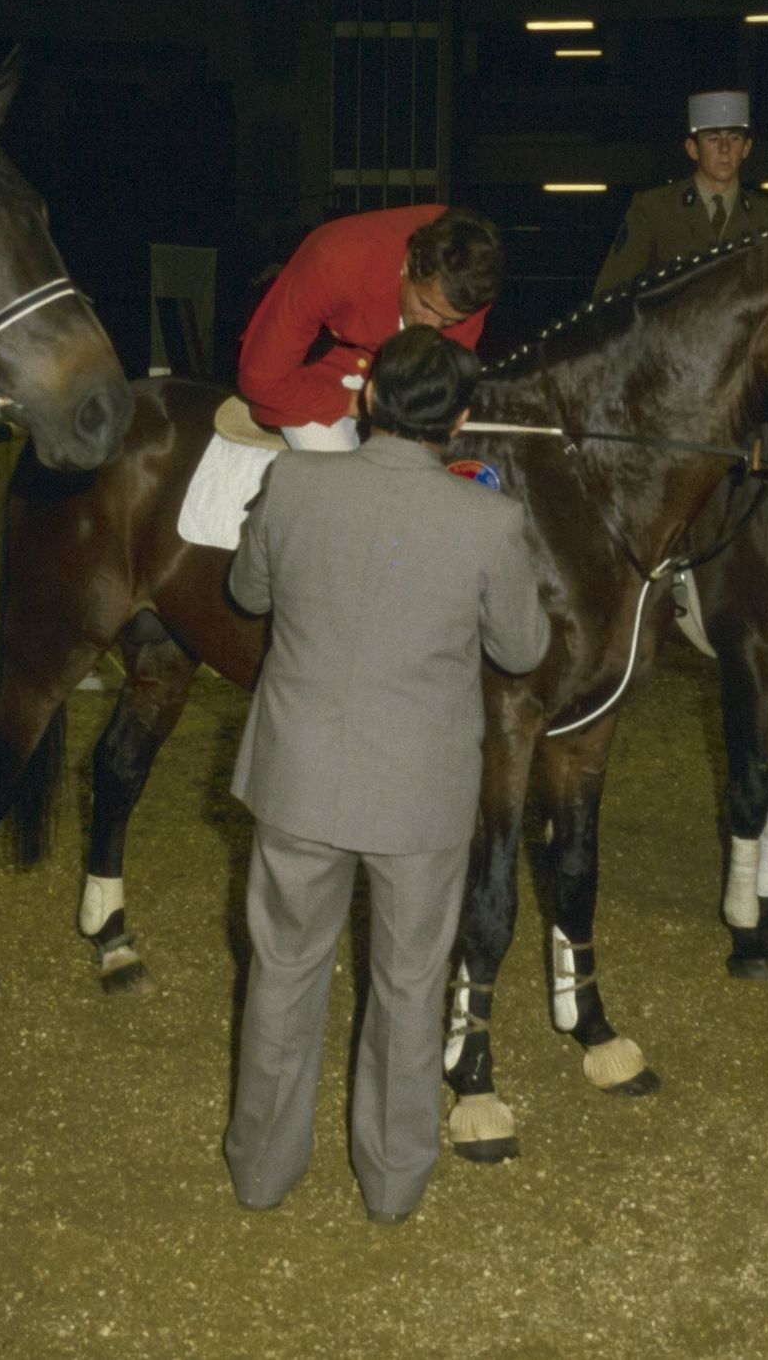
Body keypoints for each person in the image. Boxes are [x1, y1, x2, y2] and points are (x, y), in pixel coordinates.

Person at [223, 326, 552, 1223]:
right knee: (409, 987)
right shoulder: (490, 518)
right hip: (418, 791)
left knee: (283, 973)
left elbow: (250, 593)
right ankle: (394, 1181)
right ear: (464, 419)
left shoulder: (293, 482)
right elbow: (523, 648)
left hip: (297, 775)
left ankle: (260, 1169)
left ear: (368, 399)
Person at [236, 204, 504, 451]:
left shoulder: (473, 277)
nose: (432, 329)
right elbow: (260, 380)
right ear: (408, 264)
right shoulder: (336, 257)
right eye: (425, 306)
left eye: (449, 321)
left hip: (395, 388)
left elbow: (442, 382)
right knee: (348, 492)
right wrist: (362, 405)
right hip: (317, 372)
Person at [591, 90, 768, 297]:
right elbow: (609, 293)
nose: (725, 149)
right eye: (713, 139)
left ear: (746, 148)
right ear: (692, 149)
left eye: (735, 138)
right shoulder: (654, 209)